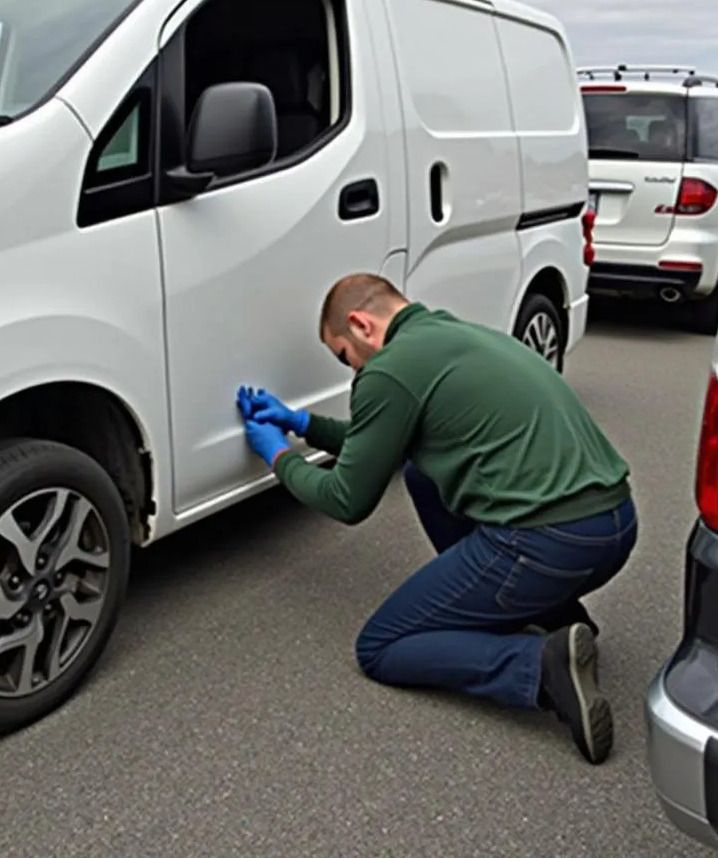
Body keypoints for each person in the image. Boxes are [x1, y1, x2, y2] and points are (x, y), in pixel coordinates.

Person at [236, 273, 637, 765]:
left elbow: (347, 499)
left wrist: (278, 457)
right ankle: (558, 615)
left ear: (361, 325)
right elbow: (376, 444)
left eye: (344, 356)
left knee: (381, 646)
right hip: (613, 529)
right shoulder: (460, 336)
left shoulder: (390, 368)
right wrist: (301, 424)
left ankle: (539, 665)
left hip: (548, 545)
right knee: (423, 477)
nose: (351, 369)